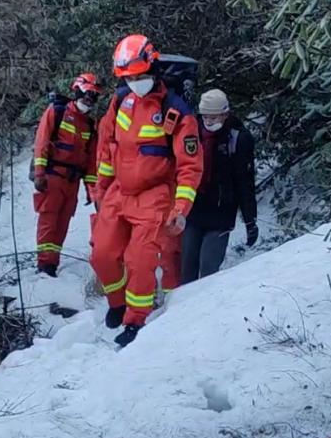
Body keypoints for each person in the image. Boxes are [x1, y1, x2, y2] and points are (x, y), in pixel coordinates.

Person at [89, 34, 203, 348]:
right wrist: (101, 189)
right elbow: (107, 145)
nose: (135, 82)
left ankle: (135, 320)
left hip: (155, 195)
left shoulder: (176, 112)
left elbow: (190, 166)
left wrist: (180, 209)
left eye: (139, 76)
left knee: (140, 260)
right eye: (129, 77)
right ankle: (117, 302)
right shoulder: (120, 101)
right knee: (102, 255)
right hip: (118, 192)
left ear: (152, 70)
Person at [180, 89, 258, 285]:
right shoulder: (192, 132)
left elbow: (245, 182)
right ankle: (182, 314)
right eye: (205, 116)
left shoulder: (238, 139)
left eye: (213, 117)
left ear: (225, 114)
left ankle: (207, 311)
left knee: (208, 268)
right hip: (193, 211)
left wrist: (250, 220)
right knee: (186, 269)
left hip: (221, 214)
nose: (209, 121)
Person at [32, 73, 102, 277]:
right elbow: (42, 142)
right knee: (49, 219)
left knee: (63, 222)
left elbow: (90, 161)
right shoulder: (58, 112)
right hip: (52, 175)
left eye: (94, 96)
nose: (90, 99)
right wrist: (39, 173)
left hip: (73, 181)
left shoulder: (89, 124)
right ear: (77, 90)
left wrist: (93, 191)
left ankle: (52, 262)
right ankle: (44, 264)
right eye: (88, 93)